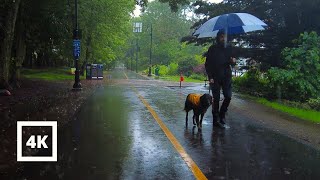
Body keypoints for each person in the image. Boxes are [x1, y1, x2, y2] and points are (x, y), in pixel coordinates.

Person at [205, 31, 236, 127]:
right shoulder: (212, 49)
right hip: (215, 77)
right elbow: (207, 64)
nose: (223, 39)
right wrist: (210, 77)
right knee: (216, 98)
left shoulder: (229, 48)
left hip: (226, 76)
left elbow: (233, 62)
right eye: (221, 37)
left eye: (225, 37)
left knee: (228, 96)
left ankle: (222, 115)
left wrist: (233, 62)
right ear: (218, 38)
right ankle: (215, 119)